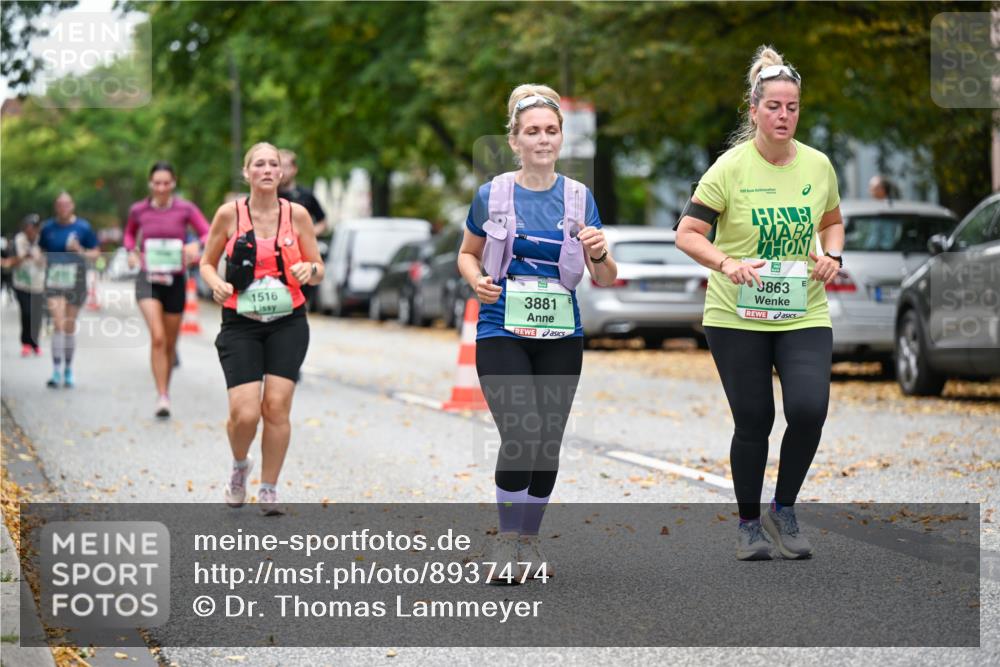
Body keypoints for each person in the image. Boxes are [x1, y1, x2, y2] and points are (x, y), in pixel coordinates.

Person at [675, 46, 845, 561]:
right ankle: (749, 524)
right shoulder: (730, 168)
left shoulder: (818, 165)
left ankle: (784, 509)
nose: (784, 116)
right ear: (754, 110)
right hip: (736, 315)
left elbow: (832, 221)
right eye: (773, 106)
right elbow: (687, 234)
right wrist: (727, 263)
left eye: (792, 107)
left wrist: (832, 253)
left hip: (802, 310)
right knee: (754, 419)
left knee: (810, 407)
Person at [457, 84, 618, 583]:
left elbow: (607, 276)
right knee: (523, 432)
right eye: (533, 132)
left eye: (551, 131)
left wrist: (597, 250)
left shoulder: (578, 197)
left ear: (561, 138)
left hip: (561, 333)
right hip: (501, 328)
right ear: (516, 141)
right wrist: (476, 281)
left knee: (547, 441)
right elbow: (467, 252)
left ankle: (529, 542)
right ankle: (505, 544)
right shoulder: (493, 194)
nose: (543, 139)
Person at [200, 142, 325, 515]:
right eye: (259, 164)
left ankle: (269, 488)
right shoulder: (228, 214)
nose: (268, 169)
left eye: (274, 164)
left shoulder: (298, 215)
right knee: (245, 413)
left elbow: (318, 269)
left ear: (282, 173)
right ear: (247, 173)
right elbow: (206, 263)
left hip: (288, 321)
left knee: (276, 407)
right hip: (241, 323)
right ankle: (240, 466)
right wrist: (215, 283)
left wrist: (309, 271)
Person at [124, 162, 211, 418]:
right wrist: (131, 252)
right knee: (158, 337)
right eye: (156, 183)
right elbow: (129, 235)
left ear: (173, 183)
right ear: (150, 184)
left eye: (166, 183)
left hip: (175, 280)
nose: (161, 187)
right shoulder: (138, 210)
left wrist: (196, 246)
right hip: (147, 279)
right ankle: (161, 396)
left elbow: (208, 232)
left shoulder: (185, 208)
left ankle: (166, 389)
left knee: (171, 342)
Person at [38, 192, 101, 388]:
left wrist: (80, 250)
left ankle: (68, 368)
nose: (63, 207)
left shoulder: (83, 227)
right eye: (60, 204)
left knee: (69, 326)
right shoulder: (48, 228)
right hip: (55, 281)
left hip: (76, 281)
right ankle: (56, 370)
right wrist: (42, 260)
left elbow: (96, 253)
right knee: (58, 324)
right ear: (56, 207)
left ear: (72, 206)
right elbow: (41, 250)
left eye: (67, 204)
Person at [278, 149, 327, 310]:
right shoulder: (270, 194)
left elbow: (323, 221)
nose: (282, 171)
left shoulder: (306, 195)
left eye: (286, 166)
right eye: (278, 166)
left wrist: (308, 234)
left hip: (301, 254)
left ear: (294, 169)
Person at [10, 214, 46, 356]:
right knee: (26, 313)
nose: (30, 230)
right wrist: (24, 256)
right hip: (21, 283)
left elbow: (45, 261)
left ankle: (35, 343)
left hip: (38, 284)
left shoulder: (42, 241)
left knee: (36, 315)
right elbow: (12, 260)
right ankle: (25, 343)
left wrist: (37, 257)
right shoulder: (18, 240)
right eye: (28, 227)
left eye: (33, 228)